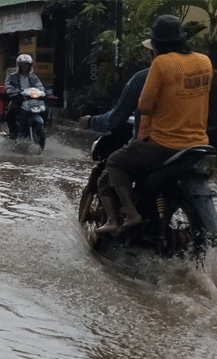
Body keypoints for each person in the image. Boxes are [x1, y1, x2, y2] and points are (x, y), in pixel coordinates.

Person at [103, 14, 213, 235]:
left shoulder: (161, 63)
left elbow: (144, 105)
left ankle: (131, 215)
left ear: (155, 43)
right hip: (199, 144)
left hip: (164, 144)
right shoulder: (205, 61)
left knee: (115, 162)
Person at [79, 39, 155, 234]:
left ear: (154, 53)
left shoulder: (143, 78)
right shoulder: (194, 74)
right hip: (192, 145)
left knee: (111, 169)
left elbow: (116, 117)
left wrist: (92, 121)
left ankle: (119, 218)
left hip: (154, 146)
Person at [4, 54, 45, 139]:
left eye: (27, 65)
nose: (25, 67)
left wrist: (42, 91)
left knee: (45, 109)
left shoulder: (34, 77)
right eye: (23, 65)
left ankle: (43, 128)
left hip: (32, 99)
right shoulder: (12, 76)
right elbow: (8, 86)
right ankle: (13, 131)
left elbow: (40, 86)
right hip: (19, 99)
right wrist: (13, 91)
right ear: (19, 66)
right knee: (12, 110)